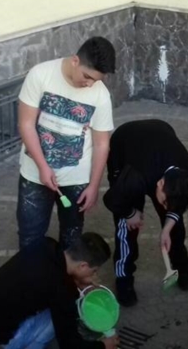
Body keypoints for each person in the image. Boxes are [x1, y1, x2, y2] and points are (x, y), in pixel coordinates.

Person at [16, 36, 116, 249]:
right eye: (87, 76)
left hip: (76, 179)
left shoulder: (101, 95)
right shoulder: (40, 74)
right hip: (34, 173)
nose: (90, 84)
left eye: (96, 80)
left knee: (71, 239)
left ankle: (64, 272)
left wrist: (94, 186)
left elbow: (102, 144)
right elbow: (26, 124)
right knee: (30, 237)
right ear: (75, 61)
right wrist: (43, 167)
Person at [103, 119, 188, 307]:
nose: (164, 207)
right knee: (126, 227)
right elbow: (111, 199)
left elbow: (178, 206)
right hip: (124, 142)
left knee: (176, 227)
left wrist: (167, 229)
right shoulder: (135, 176)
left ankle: (182, 268)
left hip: (160, 130)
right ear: (160, 183)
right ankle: (124, 280)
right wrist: (130, 213)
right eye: (163, 202)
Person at [0, 233, 119, 349]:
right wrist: (103, 346)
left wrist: (76, 282)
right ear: (83, 266)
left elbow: (51, 278)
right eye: (94, 271)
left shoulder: (45, 244)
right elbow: (70, 345)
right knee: (55, 319)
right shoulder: (61, 290)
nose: (93, 275)